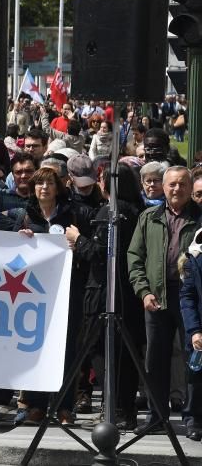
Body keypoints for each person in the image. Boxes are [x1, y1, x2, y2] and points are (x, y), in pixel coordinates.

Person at [15, 167, 94, 426]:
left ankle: (64, 407)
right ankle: (36, 405)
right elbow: (13, 255)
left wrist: (76, 244)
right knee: (37, 346)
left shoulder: (74, 214)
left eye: (49, 183)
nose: (44, 188)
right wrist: (21, 239)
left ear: (58, 188)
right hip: (34, 295)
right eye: (39, 184)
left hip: (67, 292)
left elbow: (88, 251)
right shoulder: (27, 217)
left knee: (66, 350)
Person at [128, 165, 200, 435]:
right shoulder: (149, 217)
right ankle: (157, 417)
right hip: (156, 297)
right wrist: (143, 291)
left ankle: (194, 419)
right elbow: (134, 257)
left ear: (190, 187)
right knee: (155, 360)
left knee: (194, 357)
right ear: (163, 187)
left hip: (190, 299)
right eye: (172, 184)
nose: (177, 189)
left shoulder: (199, 218)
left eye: (182, 184)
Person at [77, 163, 145, 430]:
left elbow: (101, 254)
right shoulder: (139, 211)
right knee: (127, 355)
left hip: (105, 293)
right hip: (129, 296)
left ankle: (112, 411)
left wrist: (78, 239)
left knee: (103, 352)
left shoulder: (111, 212)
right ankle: (123, 410)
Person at [180, 229, 202, 441]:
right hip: (200, 329)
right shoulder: (194, 259)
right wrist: (194, 330)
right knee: (196, 376)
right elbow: (187, 297)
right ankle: (194, 420)